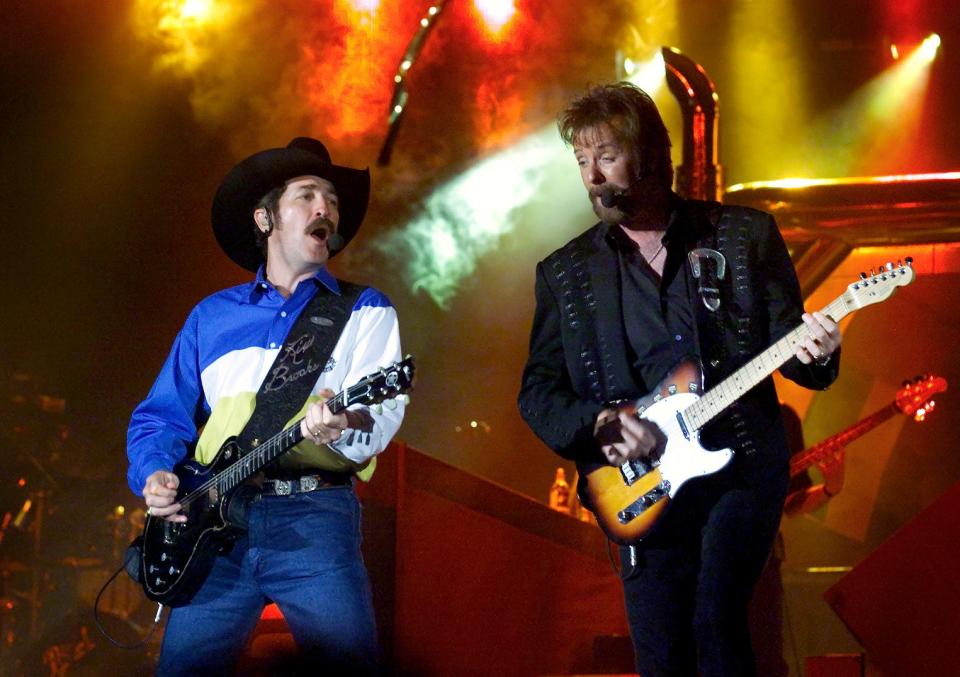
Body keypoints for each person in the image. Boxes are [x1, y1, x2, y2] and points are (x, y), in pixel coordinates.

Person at [517, 82, 841, 676]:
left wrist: (816, 351)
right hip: (639, 483)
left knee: (716, 622)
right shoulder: (565, 273)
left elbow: (788, 348)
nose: (591, 175)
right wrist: (602, 424)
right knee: (662, 650)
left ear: (649, 156)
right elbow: (538, 392)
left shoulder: (743, 237)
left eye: (605, 156)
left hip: (739, 465)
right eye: (581, 161)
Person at [126, 137, 405, 675]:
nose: (325, 208)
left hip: (315, 522)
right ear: (265, 218)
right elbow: (161, 414)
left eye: (332, 199)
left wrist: (342, 424)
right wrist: (155, 470)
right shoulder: (210, 317)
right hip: (211, 527)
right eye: (307, 195)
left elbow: (383, 412)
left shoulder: (365, 309)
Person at [749, 404, 846, 676]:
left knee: (766, 661)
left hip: (762, 562)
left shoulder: (781, 417)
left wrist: (830, 489)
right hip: (704, 561)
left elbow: (792, 503)